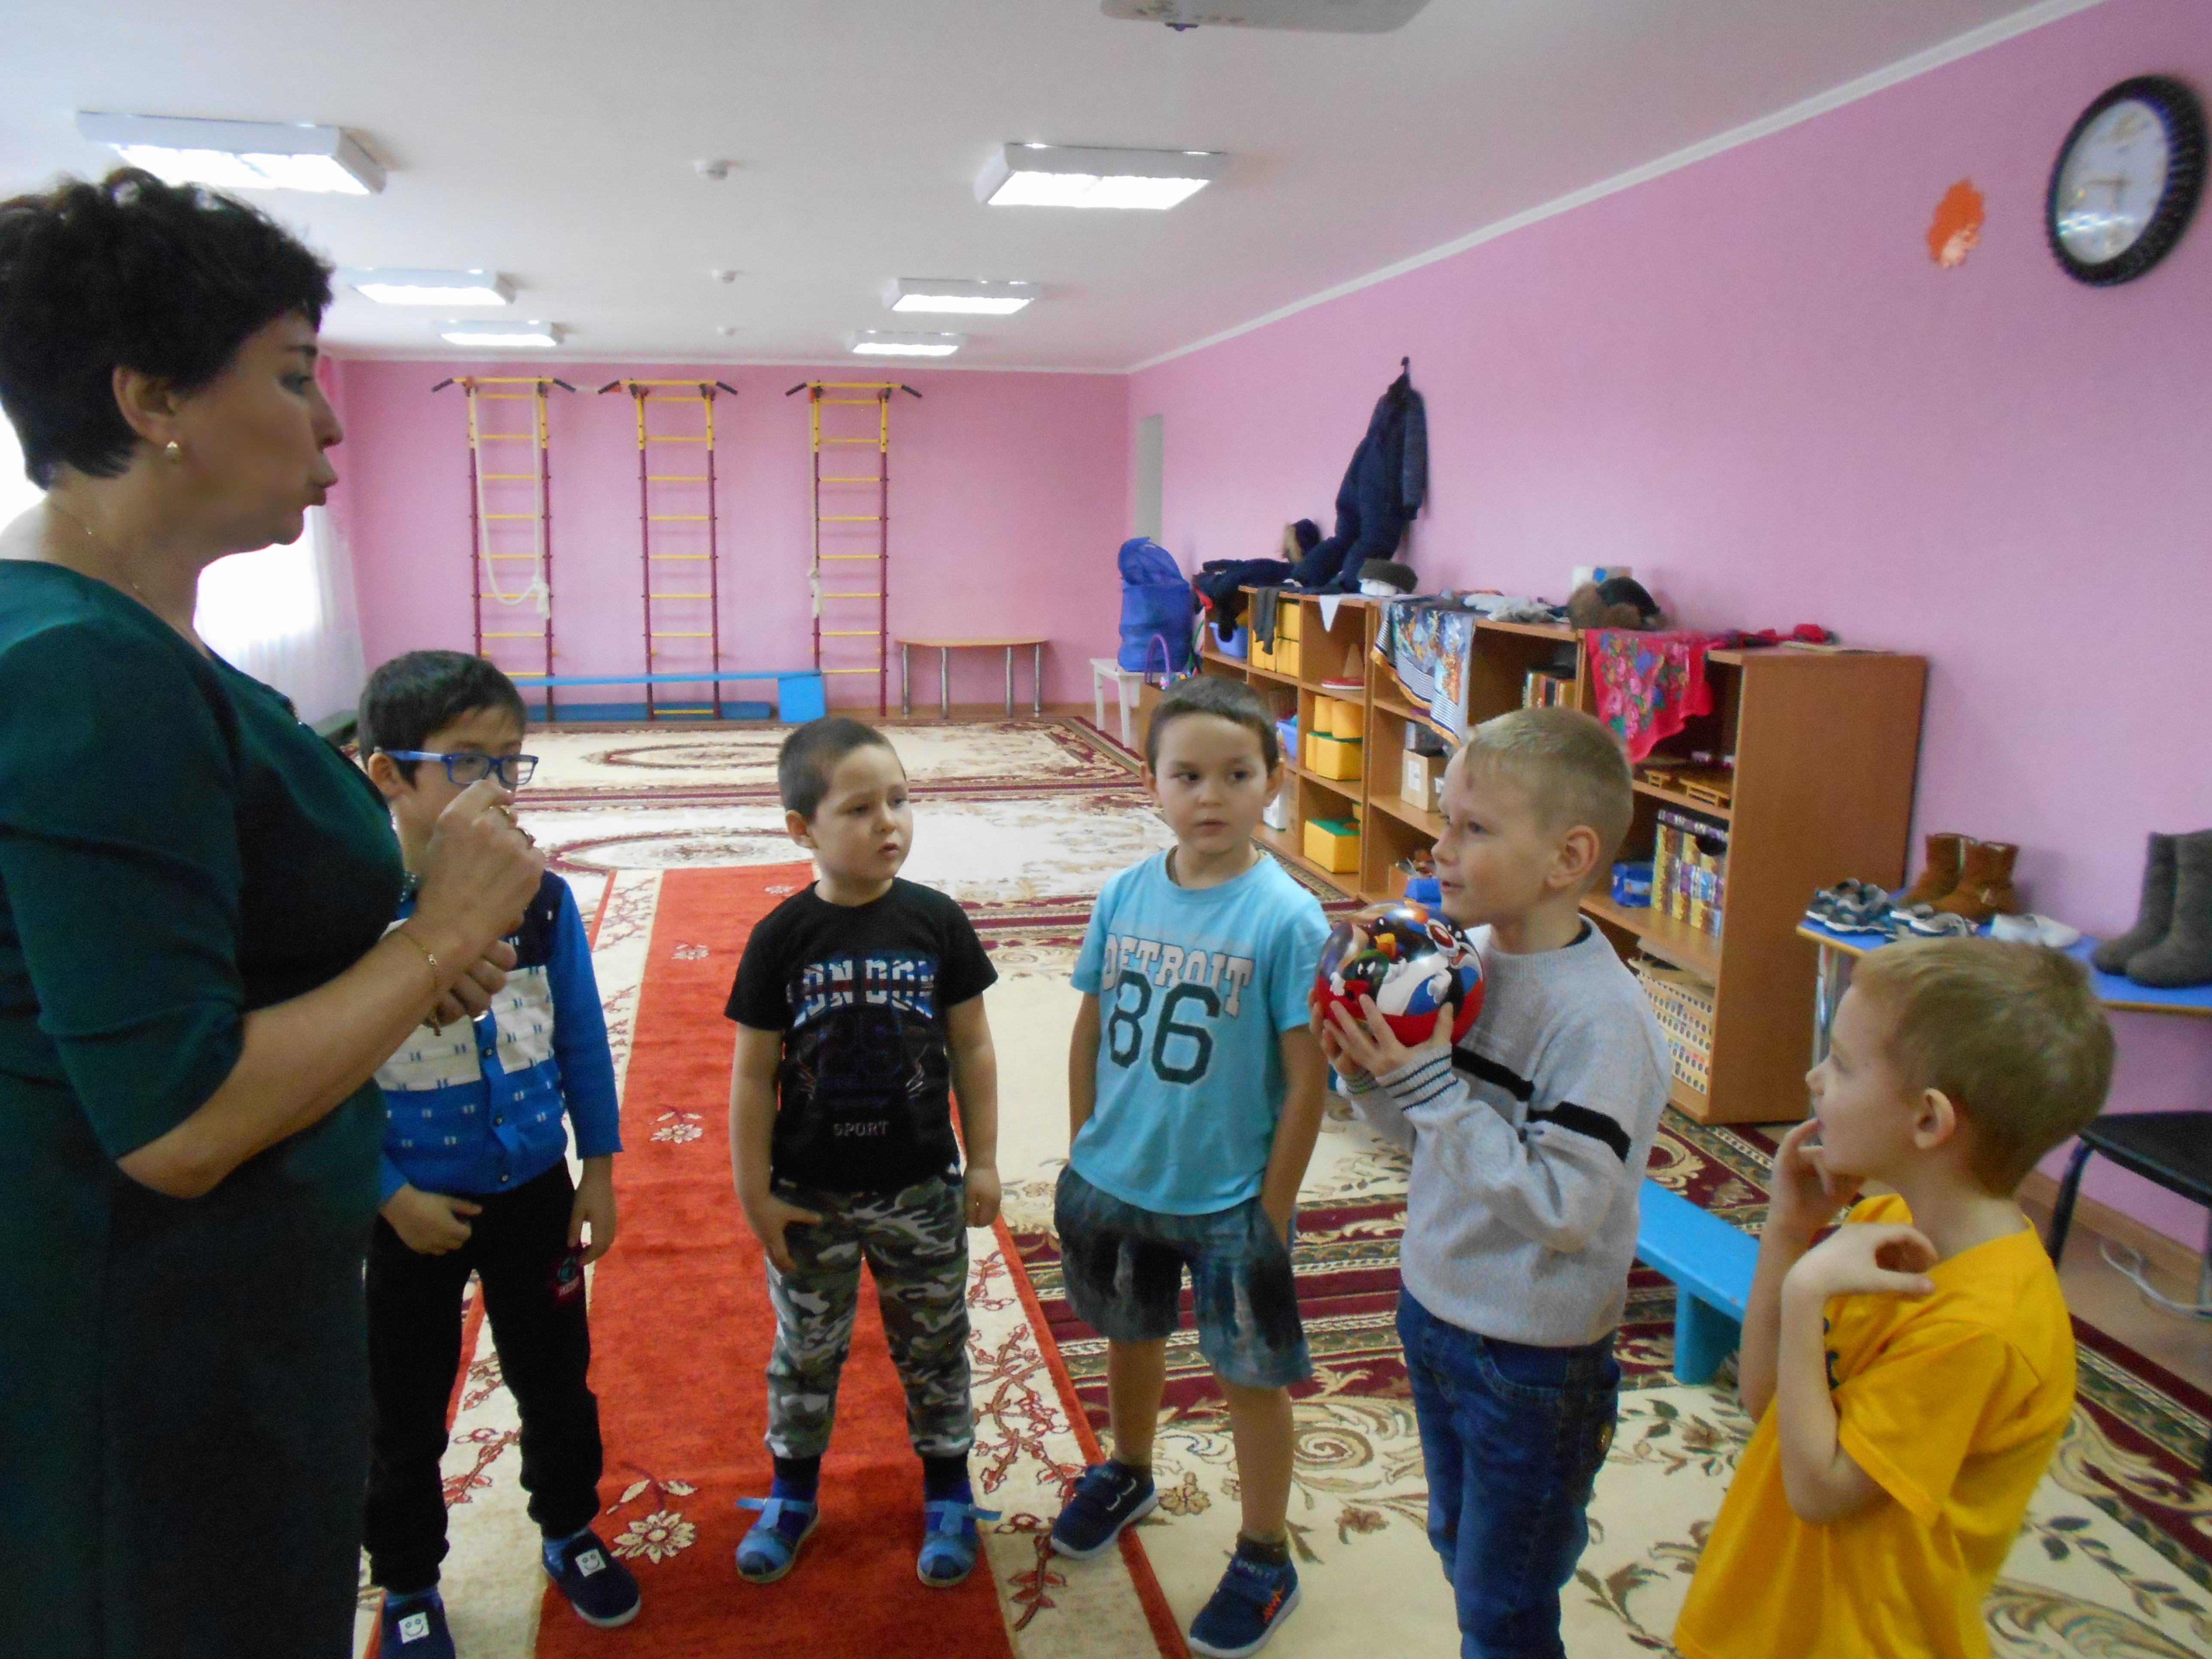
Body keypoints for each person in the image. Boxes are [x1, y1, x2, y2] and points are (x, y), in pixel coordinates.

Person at [0, 171, 541, 1657]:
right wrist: (434, 937)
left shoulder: (128, 640)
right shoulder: (84, 670)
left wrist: (380, 973)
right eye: (295, 374)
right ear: (152, 398)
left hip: (223, 1311)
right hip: (151, 1348)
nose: (331, 423)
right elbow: (177, 1122)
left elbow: (190, 963)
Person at [1319, 707, 1671, 1659]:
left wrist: (1429, 1085)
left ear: (1568, 858)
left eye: (1473, 828)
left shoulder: (1601, 1022)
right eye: (1446, 820)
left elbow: (1562, 1209)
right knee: (1459, 1544)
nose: (1440, 849)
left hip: (1534, 1356)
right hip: (1437, 1307)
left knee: (1504, 1600)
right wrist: (1371, 1075)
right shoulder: (1465, 967)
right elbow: (1430, 1140)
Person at [1673, 938, 2113, 1659]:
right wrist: (1788, 1232)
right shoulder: (1887, 1224)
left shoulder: (1983, 1326)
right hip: (1777, 1614)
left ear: (1930, 1121)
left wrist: (1806, 1290)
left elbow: (1820, 1491)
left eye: (1842, 1064)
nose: (1815, 1078)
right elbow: (1769, 1402)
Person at [356, 651, 637, 1656]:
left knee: (556, 1379)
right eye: (468, 763)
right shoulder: (351, 913)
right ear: (388, 773)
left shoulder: (542, 899)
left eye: (510, 762)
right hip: (407, 1214)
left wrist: (597, 1168)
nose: (498, 786)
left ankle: (569, 1527)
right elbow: (325, 1082)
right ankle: (407, 1581)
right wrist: (389, 1196)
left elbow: (581, 1038)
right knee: (402, 1409)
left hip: (535, 1195)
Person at [1049, 675, 1330, 1659]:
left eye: (1236, 775)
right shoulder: (1124, 893)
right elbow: (1088, 1028)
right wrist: (1086, 1147)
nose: (1210, 796)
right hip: (1116, 1178)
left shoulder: (1286, 918)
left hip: (1228, 1199)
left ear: (1272, 783)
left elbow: (1307, 1078)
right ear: (1151, 783)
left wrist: (1273, 1207)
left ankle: (1263, 1552)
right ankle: (1128, 1468)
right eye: (1187, 776)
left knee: (1248, 1375)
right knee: (1128, 1335)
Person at [724, 716, 1004, 1588]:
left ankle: (948, 1489)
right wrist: (755, 1193)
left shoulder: (936, 922)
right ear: (801, 829)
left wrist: (984, 1159)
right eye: (859, 808)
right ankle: (792, 1493)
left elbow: (973, 1048)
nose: (889, 823)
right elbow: (752, 1076)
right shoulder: (781, 938)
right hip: (811, 1195)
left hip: (921, 1187)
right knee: (806, 1350)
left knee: (935, 1343)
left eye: (899, 800)